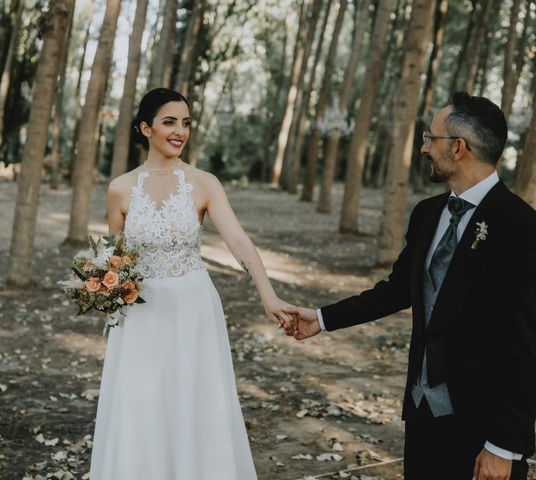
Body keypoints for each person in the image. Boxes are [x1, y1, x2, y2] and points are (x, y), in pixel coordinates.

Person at [283, 92, 536, 480]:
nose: (423, 148)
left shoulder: (521, 228)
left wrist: (504, 445)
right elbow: (397, 289)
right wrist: (322, 319)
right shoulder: (427, 214)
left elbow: (527, 346)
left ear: (459, 147)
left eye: (429, 138)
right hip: (421, 413)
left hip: (483, 430)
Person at [88, 88, 292, 479]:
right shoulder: (120, 188)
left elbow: (237, 240)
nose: (180, 131)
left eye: (186, 123)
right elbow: (113, 259)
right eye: (169, 122)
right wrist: (101, 289)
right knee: (142, 403)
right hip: (140, 316)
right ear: (145, 128)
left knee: (194, 403)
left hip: (193, 309)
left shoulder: (204, 183)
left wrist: (268, 294)